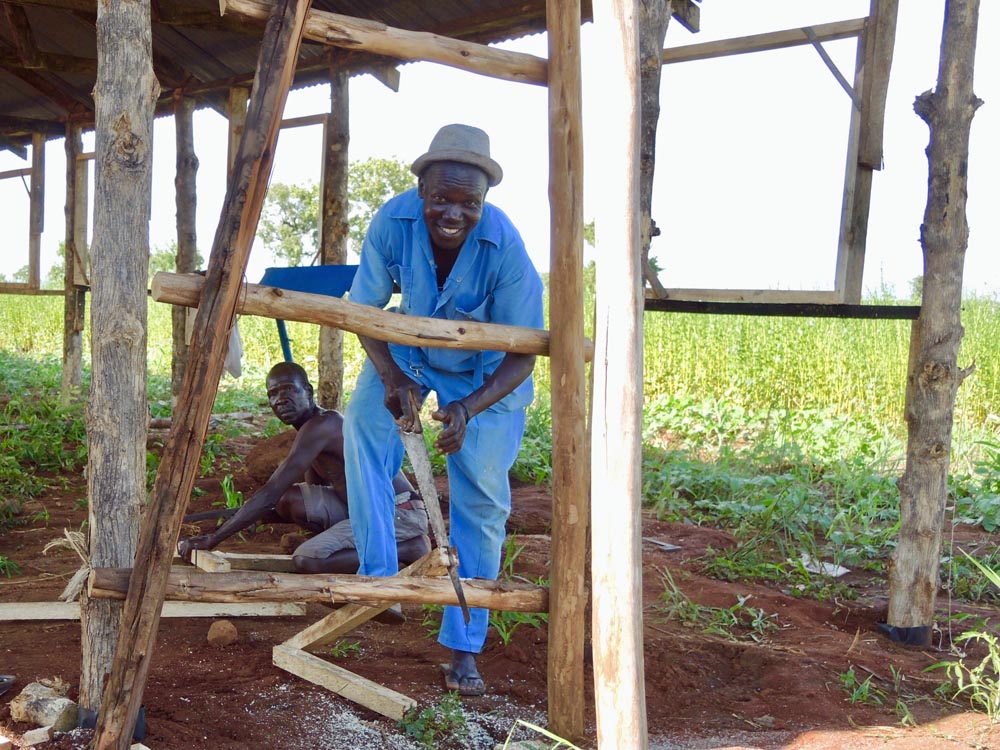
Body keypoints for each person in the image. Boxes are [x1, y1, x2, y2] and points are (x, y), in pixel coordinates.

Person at [343, 123, 544, 696]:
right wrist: (389, 376)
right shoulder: (391, 221)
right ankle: (380, 584)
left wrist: (468, 409)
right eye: (441, 199)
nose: (453, 213)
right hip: (407, 351)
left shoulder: (505, 247)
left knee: (480, 498)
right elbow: (364, 311)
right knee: (363, 429)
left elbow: (524, 353)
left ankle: (463, 647)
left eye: (468, 203)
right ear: (421, 191)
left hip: (486, 375)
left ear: (484, 202)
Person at [177, 362, 431, 580]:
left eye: (288, 389)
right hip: (361, 506)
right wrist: (253, 517)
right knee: (292, 500)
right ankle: (359, 545)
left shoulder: (324, 425)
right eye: (273, 393)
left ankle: (408, 548)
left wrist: (215, 538)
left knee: (307, 561)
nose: (280, 399)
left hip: (398, 511)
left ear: (308, 392)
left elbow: (271, 492)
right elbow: (302, 495)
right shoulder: (311, 429)